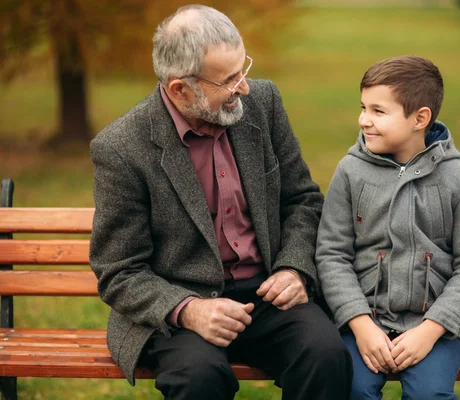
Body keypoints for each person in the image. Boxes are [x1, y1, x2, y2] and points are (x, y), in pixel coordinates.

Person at [89, 5, 352, 400]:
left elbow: (302, 201)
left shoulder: (262, 103)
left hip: (266, 294)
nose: (244, 87)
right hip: (179, 307)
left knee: (326, 354)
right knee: (199, 379)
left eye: (242, 70)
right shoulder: (122, 148)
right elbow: (118, 270)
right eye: (229, 81)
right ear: (180, 89)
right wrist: (189, 310)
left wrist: (295, 268)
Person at [315, 55, 460, 400]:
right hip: (362, 322)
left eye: (378, 111)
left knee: (429, 395)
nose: (364, 120)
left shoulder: (458, 178)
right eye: (363, 107)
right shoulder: (350, 171)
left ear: (420, 118)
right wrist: (360, 324)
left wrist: (431, 330)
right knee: (351, 389)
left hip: (435, 327)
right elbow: (331, 255)